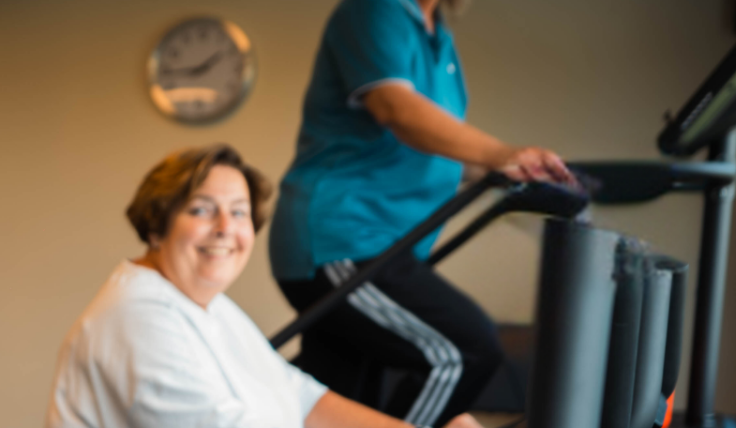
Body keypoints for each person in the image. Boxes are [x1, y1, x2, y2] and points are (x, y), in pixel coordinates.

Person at [269, 0, 577, 426]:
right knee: (461, 350)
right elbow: (397, 109)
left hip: (387, 242)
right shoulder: (374, 6)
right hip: (341, 237)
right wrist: (504, 152)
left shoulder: (440, 42)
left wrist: (524, 172)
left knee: (339, 400)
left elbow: (442, 153)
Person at [46, 145, 482, 428]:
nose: (225, 228)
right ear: (156, 225)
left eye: (239, 213)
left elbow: (301, 398)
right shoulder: (136, 316)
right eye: (201, 210)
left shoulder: (207, 306)